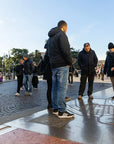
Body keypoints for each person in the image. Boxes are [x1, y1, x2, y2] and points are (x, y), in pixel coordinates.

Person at [47, 20, 74, 118]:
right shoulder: (61, 34)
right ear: (64, 27)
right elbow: (66, 51)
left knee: (54, 88)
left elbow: (48, 53)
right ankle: (62, 111)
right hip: (62, 65)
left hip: (53, 65)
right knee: (62, 88)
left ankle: (55, 109)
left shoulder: (50, 38)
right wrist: (69, 62)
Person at [43, 42, 52, 109]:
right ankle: (52, 103)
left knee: (49, 88)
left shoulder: (46, 52)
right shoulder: (52, 51)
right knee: (54, 88)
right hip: (52, 71)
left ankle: (49, 104)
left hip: (48, 72)